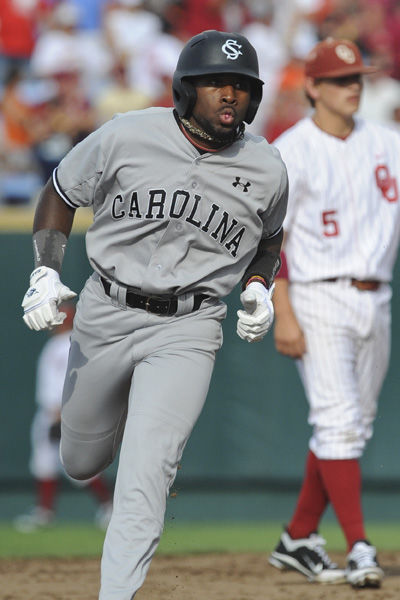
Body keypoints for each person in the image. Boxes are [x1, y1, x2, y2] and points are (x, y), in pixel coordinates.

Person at [21, 30, 288, 599]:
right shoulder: (129, 133)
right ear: (185, 88)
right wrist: (45, 268)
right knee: (79, 459)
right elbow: (61, 191)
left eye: (241, 86)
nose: (229, 95)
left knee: (147, 476)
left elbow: (270, 236)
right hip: (106, 310)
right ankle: (115, 415)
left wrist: (262, 284)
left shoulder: (266, 166)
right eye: (216, 82)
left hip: (190, 327)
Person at [268, 37, 400, 588]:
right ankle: (360, 547)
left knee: (351, 427)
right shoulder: (289, 151)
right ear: (313, 87)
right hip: (316, 294)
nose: (353, 88)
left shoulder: (388, 143)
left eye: (357, 79)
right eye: (341, 80)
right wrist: (282, 308)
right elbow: (265, 237)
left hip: (377, 296)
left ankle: (298, 536)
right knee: (338, 423)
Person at [14, 302, 114, 533]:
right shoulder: (57, 343)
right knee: (44, 464)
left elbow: (68, 381)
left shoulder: (68, 344)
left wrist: (60, 413)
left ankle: (109, 507)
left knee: (77, 466)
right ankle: (45, 512)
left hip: (60, 414)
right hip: (49, 413)